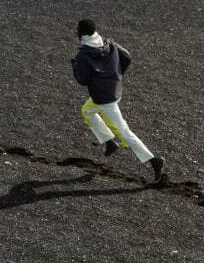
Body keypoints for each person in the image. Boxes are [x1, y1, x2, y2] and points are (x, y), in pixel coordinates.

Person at [71, 18, 165, 183]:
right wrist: (115, 75)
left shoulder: (84, 55)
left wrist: (74, 65)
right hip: (113, 91)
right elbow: (127, 57)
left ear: (80, 33)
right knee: (87, 111)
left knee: (124, 132)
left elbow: (82, 79)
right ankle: (109, 142)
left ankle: (153, 160)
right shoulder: (109, 43)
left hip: (104, 99)